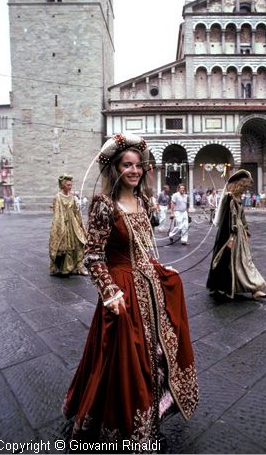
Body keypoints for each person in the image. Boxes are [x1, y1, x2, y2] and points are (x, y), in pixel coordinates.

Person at [62, 134, 198, 448]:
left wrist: (161, 270)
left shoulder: (141, 201)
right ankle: (122, 428)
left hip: (149, 291)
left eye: (138, 165)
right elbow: (93, 254)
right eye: (127, 164)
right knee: (124, 359)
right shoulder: (104, 205)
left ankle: (151, 420)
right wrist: (110, 292)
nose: (134, 170)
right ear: (115, 168)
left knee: (156, 355)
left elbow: (142, 250)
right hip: (121, 292)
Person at [206, 169, 266, 301]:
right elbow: (229, 220)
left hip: (239, 234)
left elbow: (242, 216)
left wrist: (246, 231)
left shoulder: (238, 197)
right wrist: (231, 238)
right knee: (229, 261)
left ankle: (254, 288)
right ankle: (227, 287)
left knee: (244, 261)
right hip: (230, 234)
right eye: (244, 186)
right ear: (239, 185)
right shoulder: (230, 197)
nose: (246, 189)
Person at [49, 175, 88, 276]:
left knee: (79, 242)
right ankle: (66, 267)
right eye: (68, 185)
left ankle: (79, 265)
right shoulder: (58, 197)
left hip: (73, 223)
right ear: (63, 185)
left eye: (71, 185)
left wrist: (80, 223)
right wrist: (59, 227)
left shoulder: (73, 197)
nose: (70, 187)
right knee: (65, 245)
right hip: (63, 223)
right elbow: (57, 213)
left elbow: (76, 211)